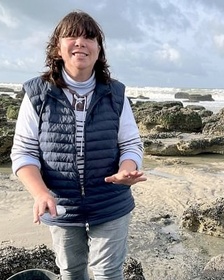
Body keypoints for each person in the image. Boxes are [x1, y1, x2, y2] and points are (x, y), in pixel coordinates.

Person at [10, 10, 147, 280]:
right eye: (71, 36)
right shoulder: (38, 94)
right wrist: (40, 193)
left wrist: (127, 169)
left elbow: (131, 143)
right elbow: (24, 151)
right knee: (71, 272)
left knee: (108, 274)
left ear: (99, 50)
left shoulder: (116, 93)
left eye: (89, 37)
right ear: (57, 48)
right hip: (61, 203)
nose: (81, 42)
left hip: (110, 202)